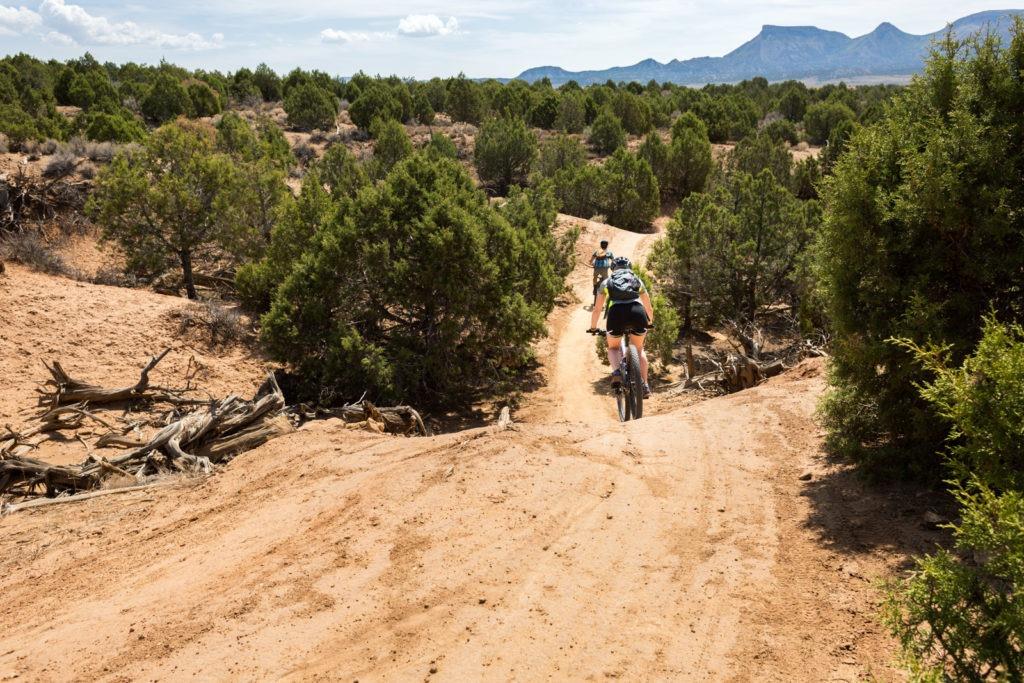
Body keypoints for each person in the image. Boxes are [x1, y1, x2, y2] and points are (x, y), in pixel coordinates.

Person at [589, 256, 654, 397]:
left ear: (613, 268)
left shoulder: (607, 282)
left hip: (616, 315)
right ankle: (645, 385)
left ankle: (617, 372)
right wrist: (649, 323)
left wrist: (593, 328)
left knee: (613, 347)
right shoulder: (637, 279)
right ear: (629, 268)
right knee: (638, 349)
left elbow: (597, 309)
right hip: (638, 313)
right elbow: (648, 307)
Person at [589, 240, 613, 304]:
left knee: (595, 277)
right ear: (607, 245)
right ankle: (605, 292)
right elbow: (613, 261)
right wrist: (611, 266)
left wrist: (592, 264)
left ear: (600, 245)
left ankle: (594, 288)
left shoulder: (596, 252)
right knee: (606, 280)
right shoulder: (609, 253)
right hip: (605, 268)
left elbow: (591, 261)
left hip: (597, 268)